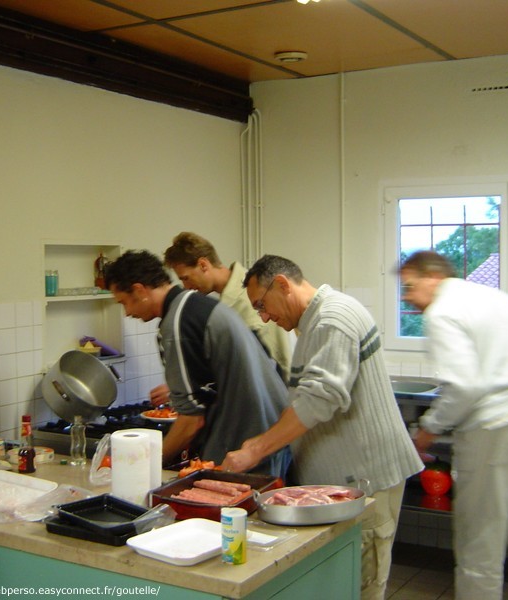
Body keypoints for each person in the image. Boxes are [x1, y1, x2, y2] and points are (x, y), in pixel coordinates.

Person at [222, 254, 422, 600]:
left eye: (262, 305)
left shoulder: (332, 319)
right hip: (348, 483)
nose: (265, 317)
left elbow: (319, 399)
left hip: (367, 480)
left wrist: (254, 449)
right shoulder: (317, 321)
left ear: (282, 285)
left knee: (362, 586)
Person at [399, 250, 508, 600]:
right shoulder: (500, 300)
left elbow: (464, 385)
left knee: (480, 550)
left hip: (495, 429)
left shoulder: (444, 311)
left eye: (410, 287)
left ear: (433, 276)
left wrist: (427, 429)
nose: (408, 298)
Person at [104, 250, 290, 477]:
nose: (127, 313)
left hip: (245, 442)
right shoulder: (198, 305)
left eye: (124, 302)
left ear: (140, 290)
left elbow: (192, 421)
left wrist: (148, 465)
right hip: (272, 432)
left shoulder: (177, 323)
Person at [163, 232, 292, 383]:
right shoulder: (233, 296)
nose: (186, 287)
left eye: (186, 278)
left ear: (203, 265)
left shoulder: (246, 299)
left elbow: (265, 366)